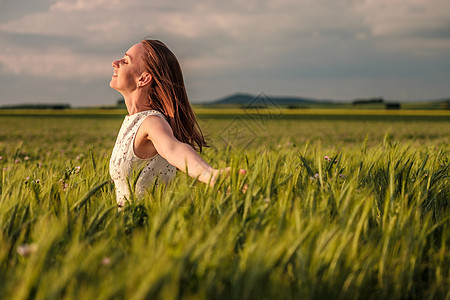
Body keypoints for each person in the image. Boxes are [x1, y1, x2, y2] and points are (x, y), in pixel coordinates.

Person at [109, 39, 245, 208]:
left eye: (126, 61)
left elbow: (173, 148)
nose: (115, 63)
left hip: (148, 226)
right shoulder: (133, 121)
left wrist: (209, 174)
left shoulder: (152, 122)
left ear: (143, 79)